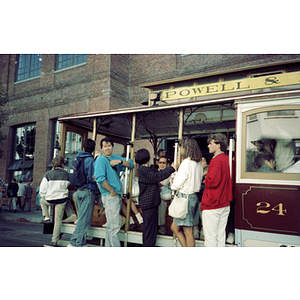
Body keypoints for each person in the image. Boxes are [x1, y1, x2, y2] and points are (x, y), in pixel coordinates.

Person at [94, 137, 134, 247]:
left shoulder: (115, 157)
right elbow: (100, 178)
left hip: (115, 195)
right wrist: (111, 190)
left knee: (111, 226)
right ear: (102, 148)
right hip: (110, 195)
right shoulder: (101, 160)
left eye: (109, 146)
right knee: (114, 226)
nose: (107, 148)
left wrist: (120, 161)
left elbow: (131, 163)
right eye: (105, 146)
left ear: (112, 146)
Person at [135, 148, 177, 246]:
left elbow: (154, 177)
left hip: (152, 203)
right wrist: (172, 168)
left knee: (151, 230)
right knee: (149, 231)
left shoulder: (146, 169)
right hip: (148, 203)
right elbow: (156, 177)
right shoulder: (142, 169)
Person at [201, 133, 233, 247]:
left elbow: (213, 181)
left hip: (213, 203)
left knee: (210, 238)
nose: (208, 146)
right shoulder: (228, 159)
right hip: (225, 202)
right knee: (220, 236)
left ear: (218, 145)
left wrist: (206, 178)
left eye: (211, 143)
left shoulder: (215, 160)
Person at [170, 138, 203, 247]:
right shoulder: (198, 164)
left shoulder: (186, 163)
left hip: (185, 197)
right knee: (175, 227)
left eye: (182, 147)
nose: (181, 149)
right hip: (193, 196)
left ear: (186, 148)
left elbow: (177, 184)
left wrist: (173, 184)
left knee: (188, 231)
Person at [68, 138, 99, 247]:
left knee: (81, 218)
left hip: (79, 191)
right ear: (93, 148)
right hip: (88, 191)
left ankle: (79, 242)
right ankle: (75, 243)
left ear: (83, 147)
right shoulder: (90, 160)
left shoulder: (77, 157)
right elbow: (92, 177)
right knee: (84, 220)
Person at [40, 156, 70, 247]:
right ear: (62, 164)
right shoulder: (66, 174)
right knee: (58, 221)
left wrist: (45, 196)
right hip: (62, 200)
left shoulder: (48, 174)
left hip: (50, 199)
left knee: (42, 200)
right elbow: (67, 185)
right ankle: (54, 241)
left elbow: (42, 190)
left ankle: (46, 216)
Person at [157, 156, 172, 235]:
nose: (162, 164)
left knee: (161, 203)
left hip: (166, 197)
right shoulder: (155, 173)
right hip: (156, 196)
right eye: (160, 162)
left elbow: (172, 187)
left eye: (164, 163)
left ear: (167, 164)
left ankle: (162, 227)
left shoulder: (170, 174)